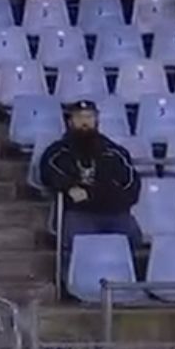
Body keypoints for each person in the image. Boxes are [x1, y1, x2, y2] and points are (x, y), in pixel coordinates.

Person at [37, 100, 141, 281]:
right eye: (79, 117)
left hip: (114, 212)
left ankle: (122, 281)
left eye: (89, 117)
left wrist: (91, 194)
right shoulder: (57, 152)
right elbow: (49, 173)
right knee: (77, 238)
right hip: (79, 213)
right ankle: (73, 284)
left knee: (131, 234)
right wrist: (69, 187)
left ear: (97, 120)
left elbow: (131, 186)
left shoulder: (114, 152)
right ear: (70, 121)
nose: (84, 122)